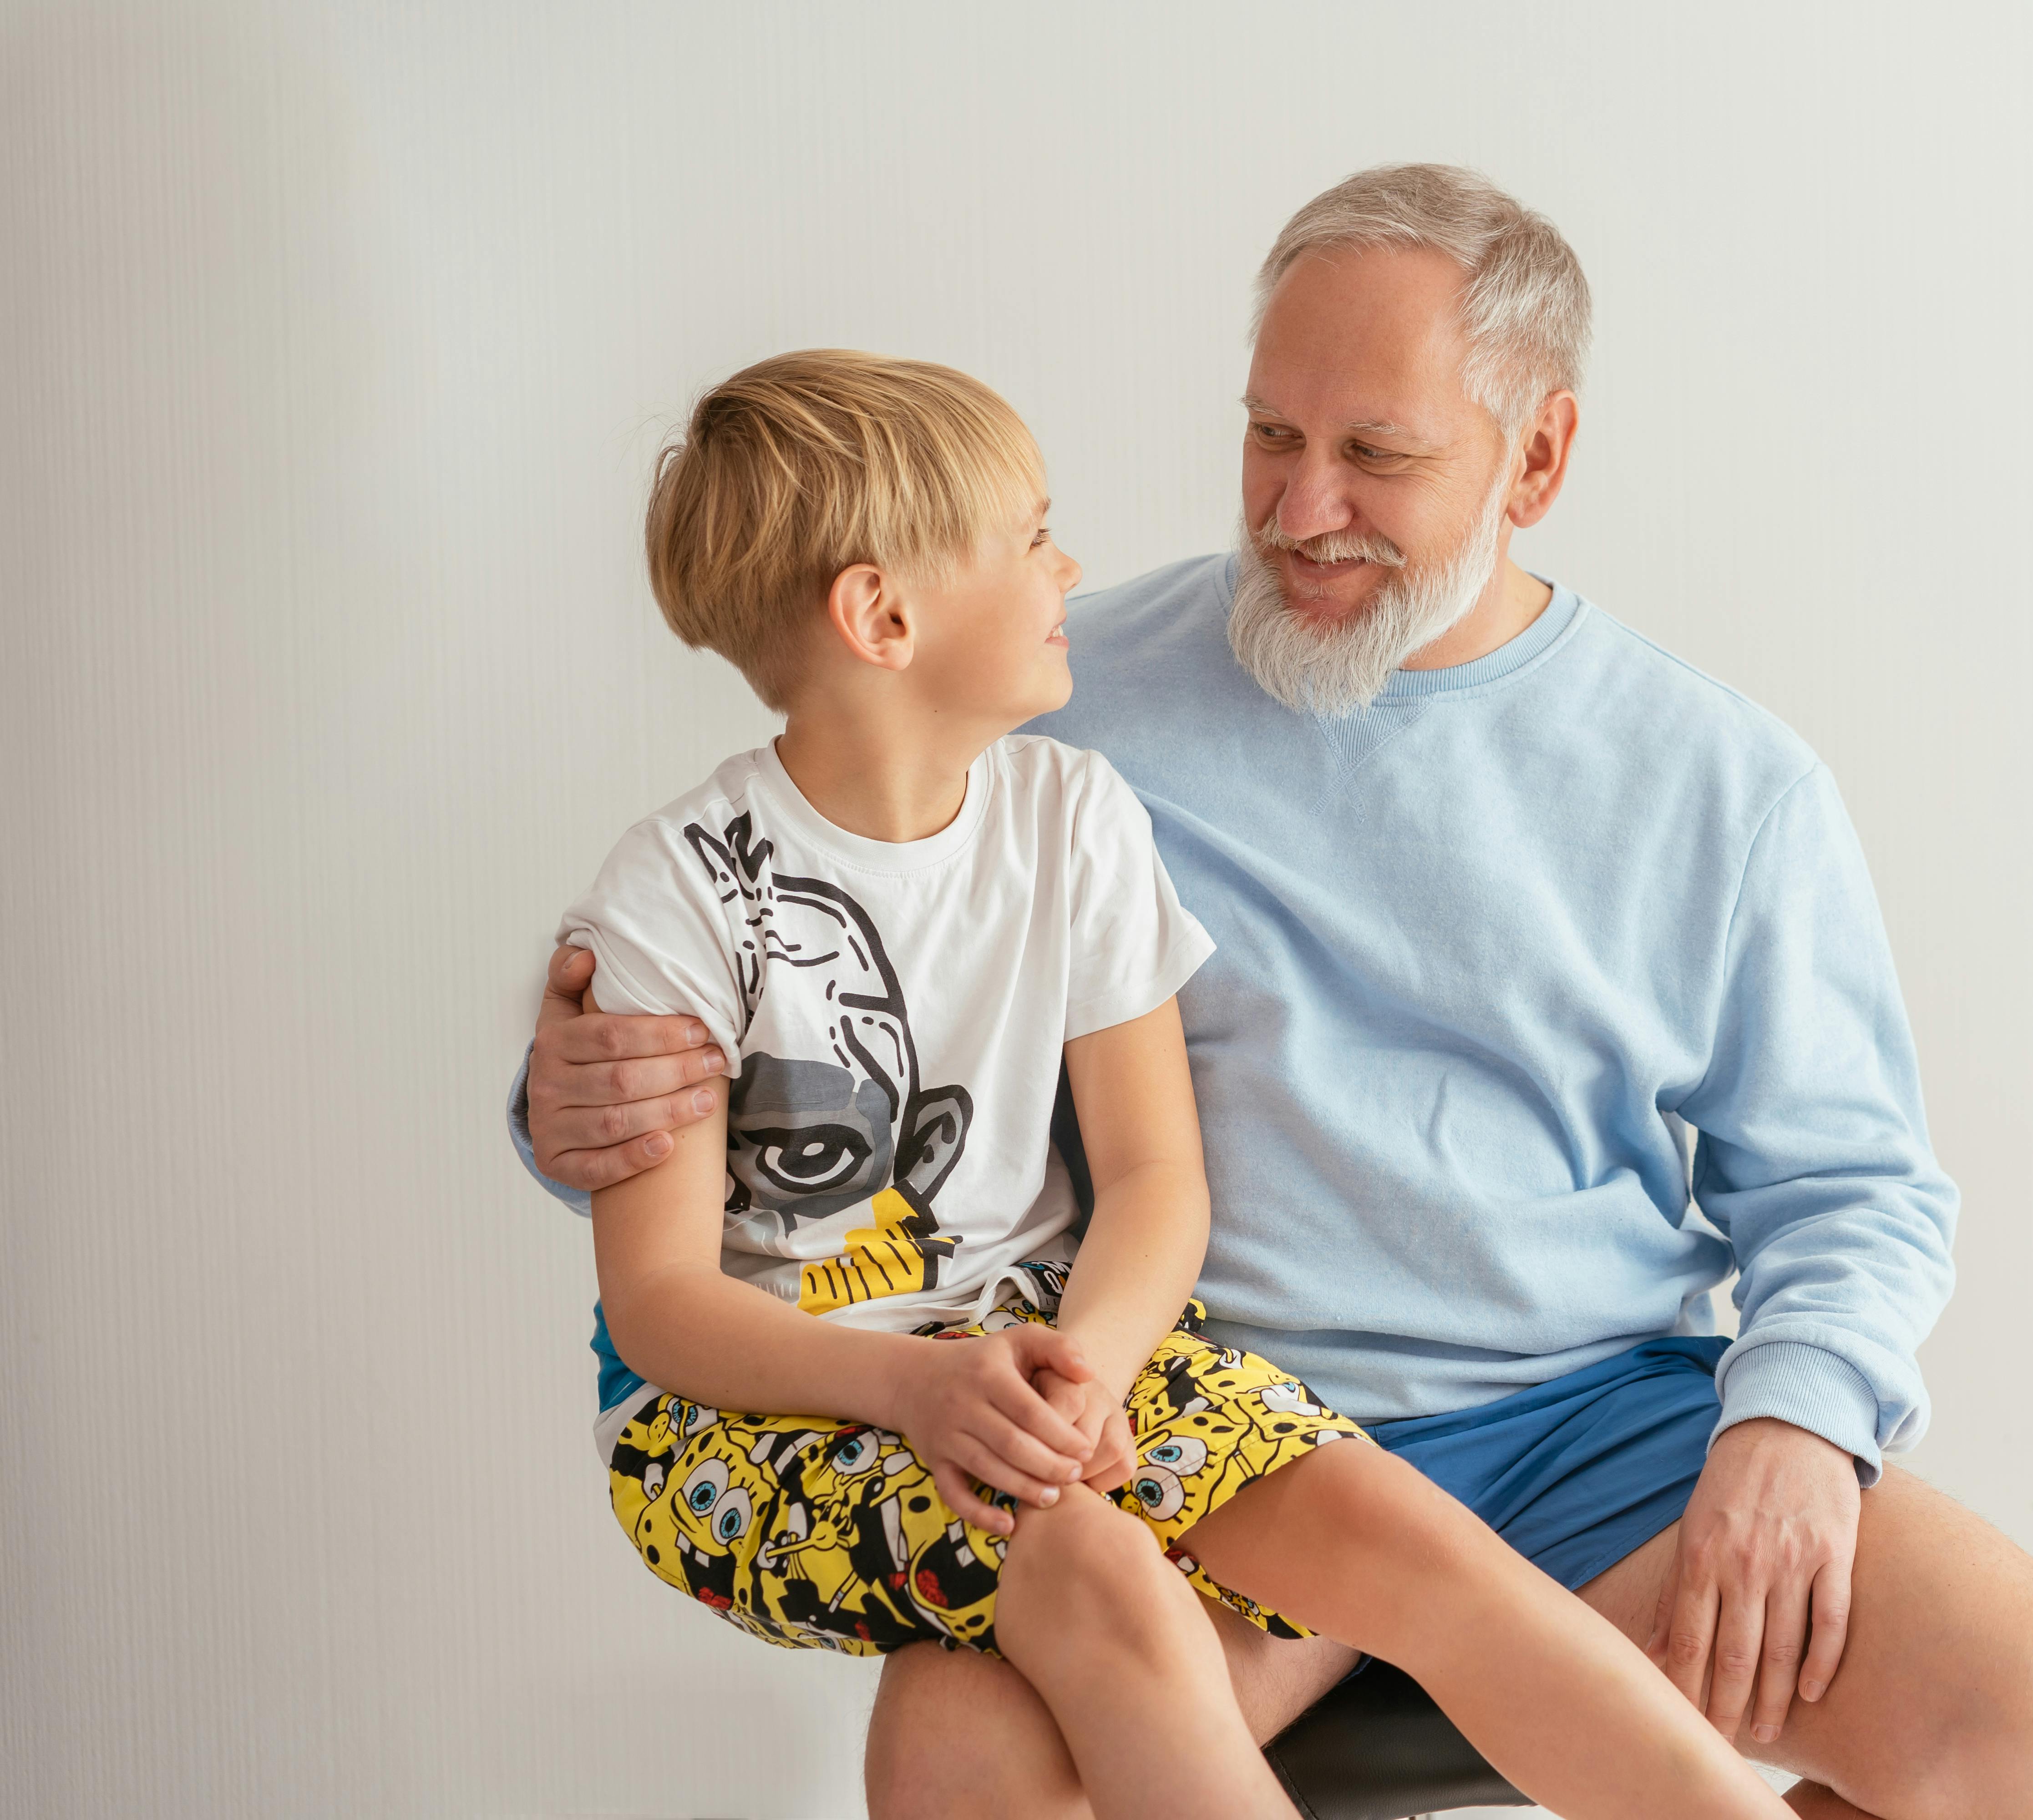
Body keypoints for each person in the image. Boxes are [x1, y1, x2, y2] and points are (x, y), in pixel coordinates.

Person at [521, 169, 2033, 1819]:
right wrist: (577, 1092)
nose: (1302, 509)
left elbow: (1852, 1189)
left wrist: (1800, 1428)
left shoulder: (1725, 787)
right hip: (1198, 1422)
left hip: (1590, 1431)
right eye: (1268, 438)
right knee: (965, 1762)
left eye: (1377, 455)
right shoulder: (1050, 699)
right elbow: (810, 967)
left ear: (1538, 459)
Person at [556, 347, 1796, 1820]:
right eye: (1028, 538)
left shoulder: (1073, 817)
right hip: (755, 1418)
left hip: (1054, 1349)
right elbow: (662, 1307)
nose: (1067, 563)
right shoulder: (672, 898)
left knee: (1405, 1539)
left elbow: (1154, 1178)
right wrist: (925, 1388)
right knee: (1087, 1559)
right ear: (883, 615)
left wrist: (1081, 1367)